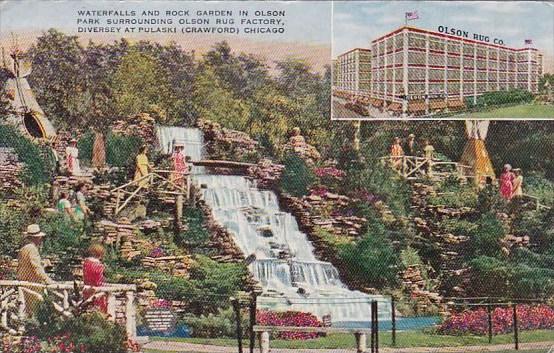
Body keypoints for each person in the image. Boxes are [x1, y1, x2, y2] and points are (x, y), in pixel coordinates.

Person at [17, 224, 54, 315]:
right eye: (39, 237)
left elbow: (25, 265)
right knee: (35, 311)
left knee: (27, 310)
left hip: (24, 282)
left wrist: (42, 264)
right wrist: (48, 280)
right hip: (33, 284)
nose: (41, 239)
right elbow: (36, 268)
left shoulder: (23, 249)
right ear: (36, 238)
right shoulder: (33, 249)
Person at [83, 243, 108, 314]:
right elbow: (99, 280)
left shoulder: (85, 263)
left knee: (87, 307)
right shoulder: (98, 266)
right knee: (100, 310)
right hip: (97, 290)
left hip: (87, 288)